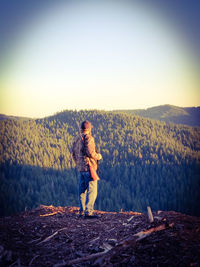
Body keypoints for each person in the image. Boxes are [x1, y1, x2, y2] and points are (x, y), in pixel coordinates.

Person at [72, 120, 102, 218]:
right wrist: (98, 156)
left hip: (81, 168)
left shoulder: (77, 139)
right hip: (89, 168)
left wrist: (79, 163)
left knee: (82, 190)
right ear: (89, 129)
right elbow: (90, 153)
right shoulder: (89, 138)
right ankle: (88, 212)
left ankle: (82, 210)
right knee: (92, 191)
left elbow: (73, 153)